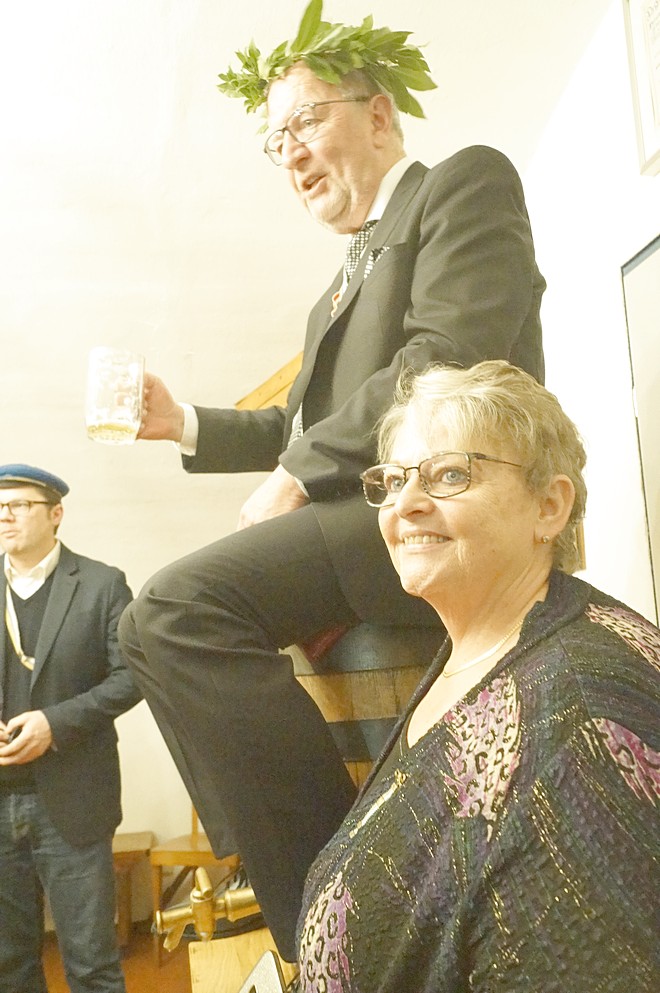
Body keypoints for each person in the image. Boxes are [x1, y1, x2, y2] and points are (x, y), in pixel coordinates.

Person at [118, 2, 546, 960]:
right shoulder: (332, 295)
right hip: (369, 511)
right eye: (276, 142)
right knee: (140, 627)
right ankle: (271, 854)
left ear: (379, 113)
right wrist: (183, 422)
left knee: (175, 607)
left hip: (443, 502)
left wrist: (297, 475)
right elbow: (298, 425)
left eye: (304, 121)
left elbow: (444, 355)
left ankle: (342, 901)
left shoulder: (462, 184)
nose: (291, 154)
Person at [296, 360, 660, 993]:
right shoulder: (480, 645)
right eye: (395, 480)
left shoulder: (581, 729)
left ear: (549, 506)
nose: (405, 504)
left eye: (449, 474)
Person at [0, 464, 142, 993]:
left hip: (73, 801)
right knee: (9, 967)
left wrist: (54, 724)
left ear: (55, 513)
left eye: (18, 505)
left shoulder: (103, 584)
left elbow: (133, 676)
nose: (5, 516)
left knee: (91, 966)